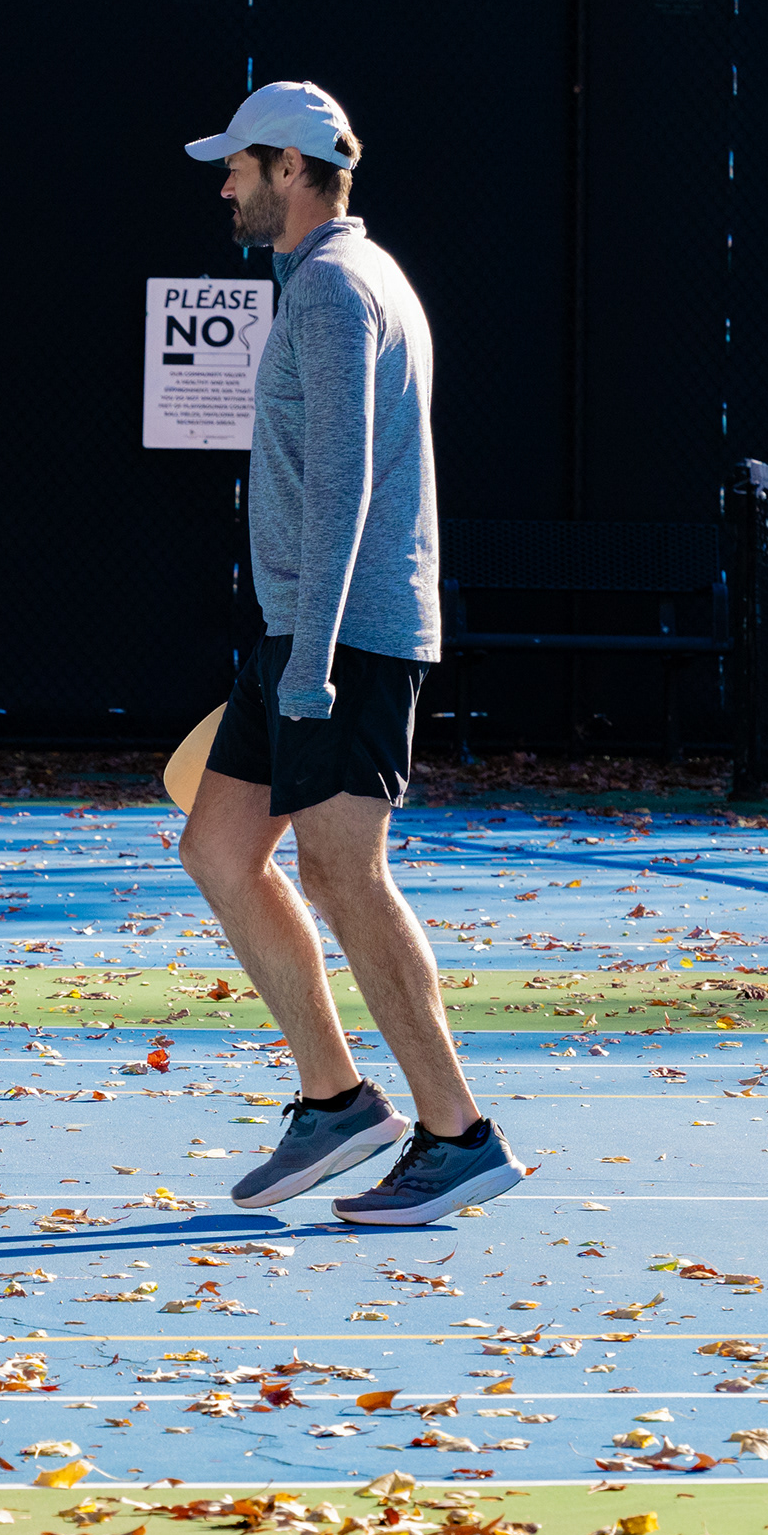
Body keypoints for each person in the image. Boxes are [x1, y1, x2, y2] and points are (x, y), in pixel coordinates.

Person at [168, 80, 522, 1226]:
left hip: (341, 638)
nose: (223, 184)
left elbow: (344, 487)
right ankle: (335, 1102)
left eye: (238, 166)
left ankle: (459, 1134)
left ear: (292, 169)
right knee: (221, 849)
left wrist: (312, 657)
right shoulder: (336, 281)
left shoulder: (330, 290)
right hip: (301, 635)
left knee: (342, 872)